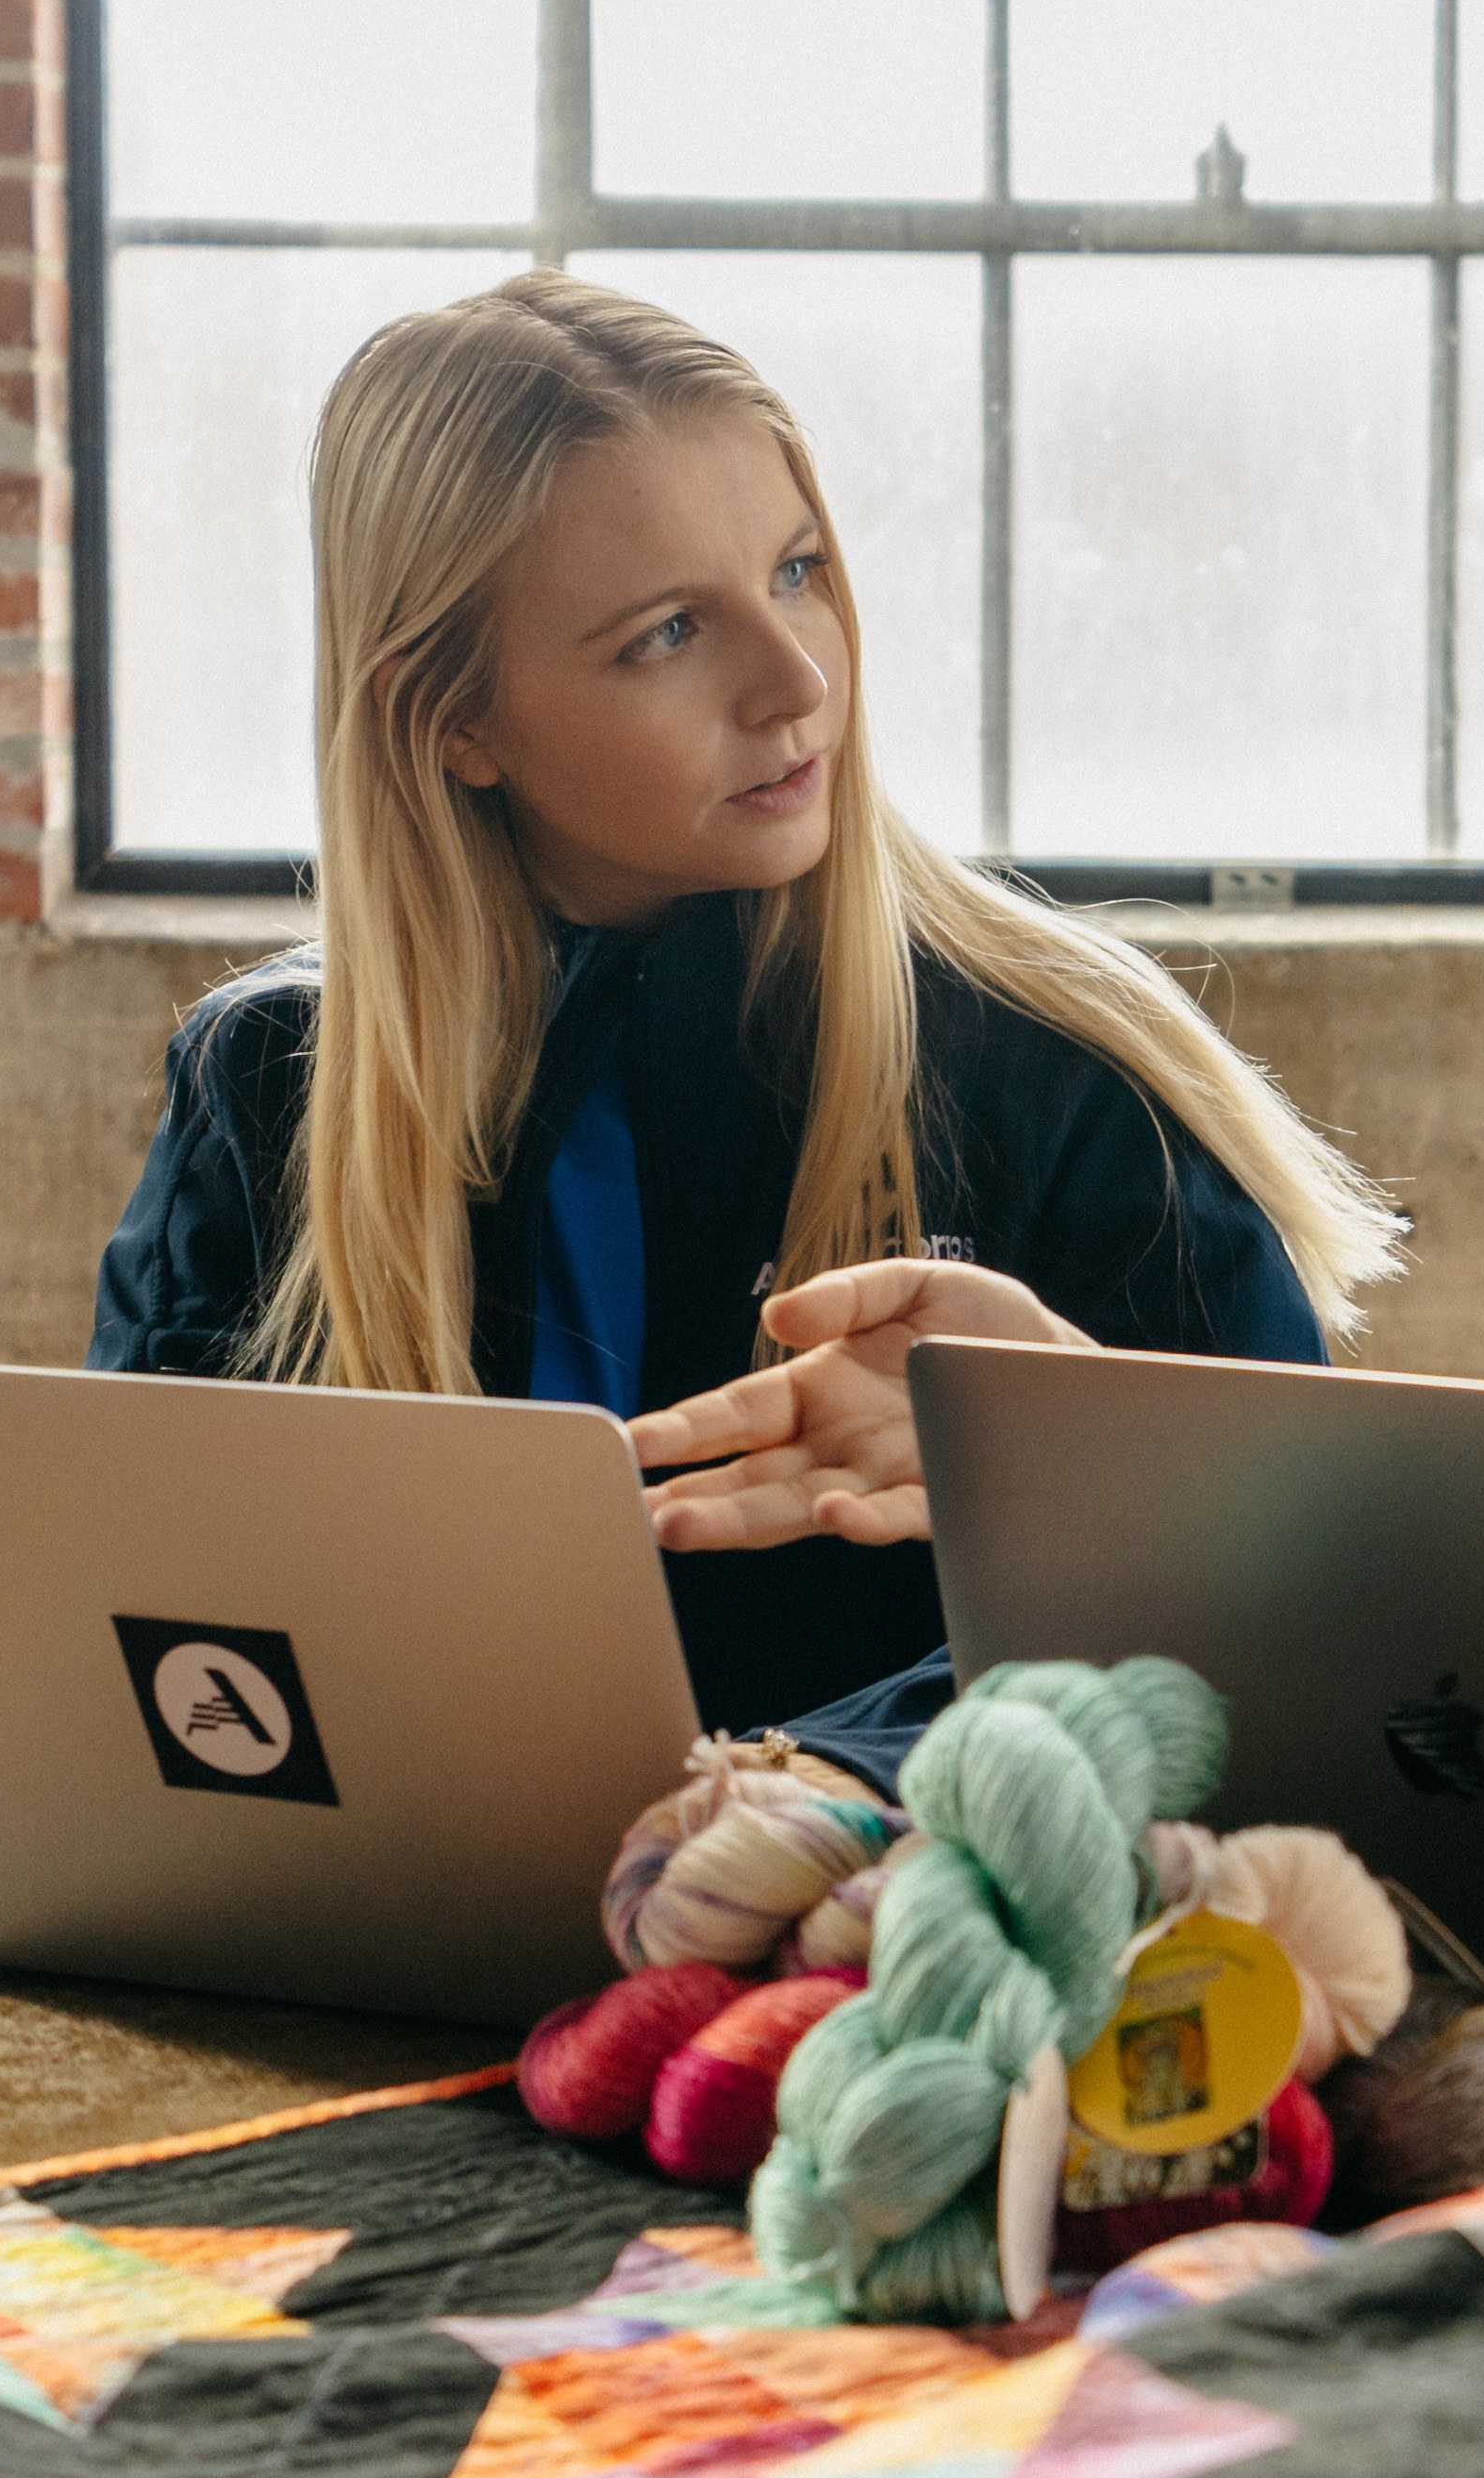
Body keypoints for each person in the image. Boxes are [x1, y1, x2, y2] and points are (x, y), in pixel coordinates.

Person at [92, 272, 1396, 1736]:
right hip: (406, 1941)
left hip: (893, 1938)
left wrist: (806, 1796)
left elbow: (1321, 1653)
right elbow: (156, 1650)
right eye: (666, 632)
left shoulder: (1057, 1068)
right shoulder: (262, 1083)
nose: (795, 681)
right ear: (449, 719)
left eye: (795, 571)